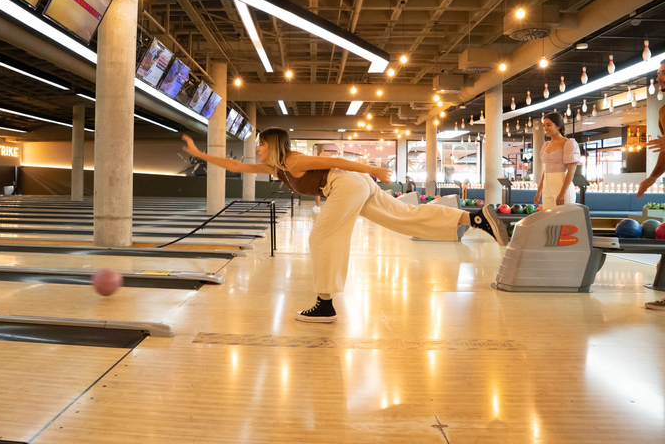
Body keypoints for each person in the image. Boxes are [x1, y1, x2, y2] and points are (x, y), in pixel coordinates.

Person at [181, 128, 508, 323]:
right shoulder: (278, 166)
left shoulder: (293, 160)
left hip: (348, 182)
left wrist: (375, 171)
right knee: (402, 217)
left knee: (322, 236)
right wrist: (200, 153)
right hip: (354, 184)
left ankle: (325, 305)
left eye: (262, 143)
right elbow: (234, 164)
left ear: (275, 143)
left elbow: (336, 161)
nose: (258, 148)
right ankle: (474, 219)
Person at [638, 58, 665, 310]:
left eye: (664, 73)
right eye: (658, 73)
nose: (659, 78)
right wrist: (653, 177)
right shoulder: (662, 111)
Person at [533, 112, 580, 209]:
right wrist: (539, 191)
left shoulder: (568, 143)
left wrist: (562, 193)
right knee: (549, 220)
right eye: (544, 125)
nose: (545, 128)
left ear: (558, 126)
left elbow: (571, 171)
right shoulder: (546, 145)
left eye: (549, 125)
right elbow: (545, 170)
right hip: (547, 186)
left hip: (562, 185)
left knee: (564, 220)